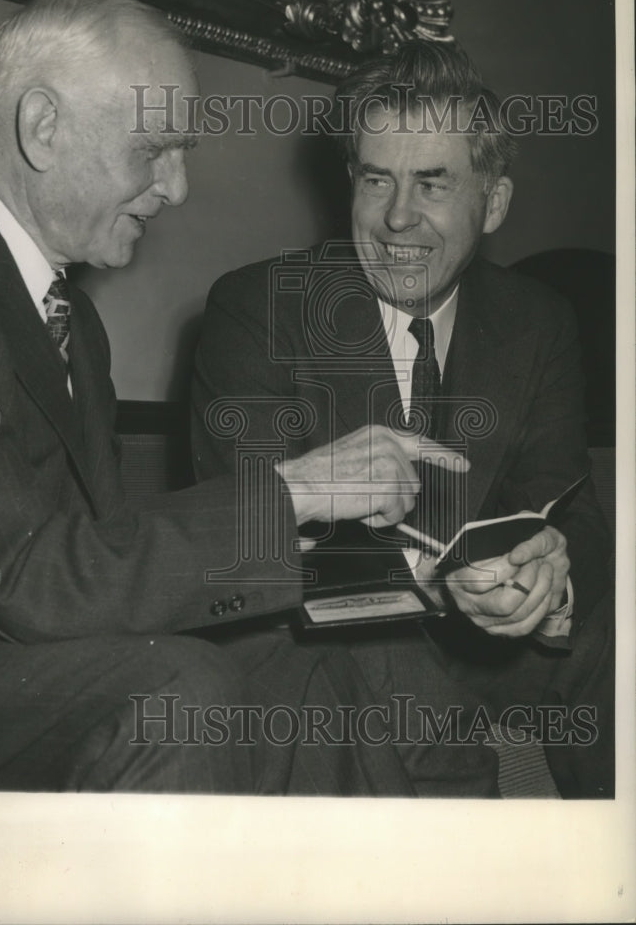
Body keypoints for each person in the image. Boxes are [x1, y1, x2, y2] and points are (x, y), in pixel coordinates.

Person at [0, 0, 467, 794]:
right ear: (44, 128)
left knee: (337, 658)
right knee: (177, 691)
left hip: (17, 650)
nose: (178, 188)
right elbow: (27, 582)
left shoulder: (68, 314)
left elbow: (104, 555)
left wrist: (369, 576)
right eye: (155, 149)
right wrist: (295, 488)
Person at [192, 41, 614, 797]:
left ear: (492, 204)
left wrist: (546, 574)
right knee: (403, 687)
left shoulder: (537, 320)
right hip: (334, 634)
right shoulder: (256, 308)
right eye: (375, 179)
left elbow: (570, 503)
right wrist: (429, 586)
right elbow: (247, 542)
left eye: (431, 184)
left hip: (486, 644)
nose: (396, 218)